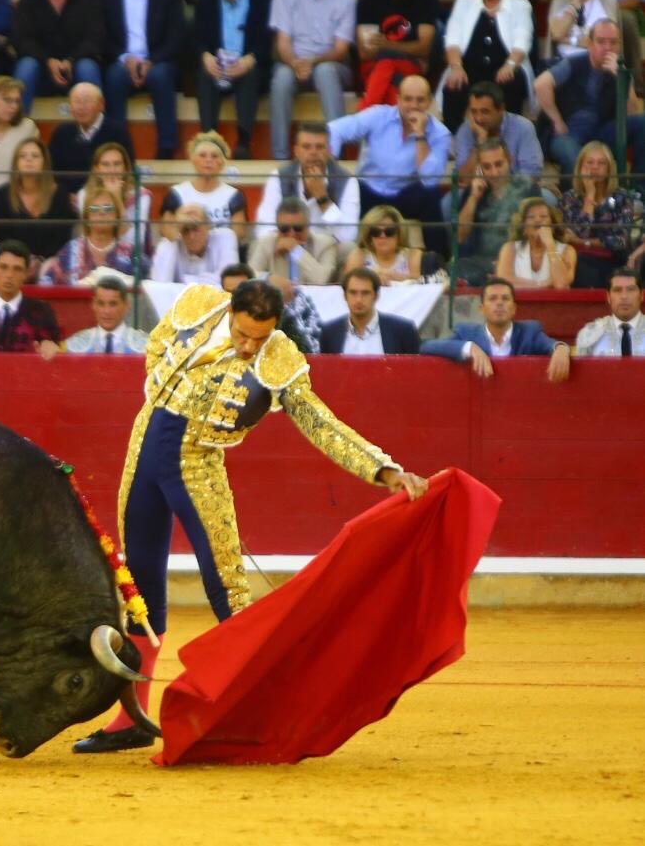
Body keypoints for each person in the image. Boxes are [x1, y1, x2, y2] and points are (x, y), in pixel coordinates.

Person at [72, 278, 428, 753]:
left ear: (274, 328)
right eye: (242, 334)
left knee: (228, 593)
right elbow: (157, 346)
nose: (247, 346)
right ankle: (131, 718)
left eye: (258, 338)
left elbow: (318, 421)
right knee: (139, 593)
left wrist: (383, 469)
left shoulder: (278, 357)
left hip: (196, 468)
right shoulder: (198, 304)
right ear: (230, 311)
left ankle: (254, 713)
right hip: (143, 454)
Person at [328, 75, 451, 258]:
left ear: (430, 102)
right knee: (344, 187)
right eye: (408, 99)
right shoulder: (378, 115)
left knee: (430, 195)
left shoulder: (440, 133)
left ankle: (439, 262)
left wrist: (420, 136)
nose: (414, 106)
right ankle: (339, 258)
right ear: (398, 99)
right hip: (368, 190)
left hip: (405, 193)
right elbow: (334, 129)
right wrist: (331, 163)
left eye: (420, 100)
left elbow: (429, 179)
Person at [534, 18, 645, 178]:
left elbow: (632, 112)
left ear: (619, 46)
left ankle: (638, 187)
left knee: (642, 123)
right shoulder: (574, 63)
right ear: (590, 44)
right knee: (574, 156)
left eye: (613, 43)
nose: (608, 48)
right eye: (601, 42)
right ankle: (578, 198)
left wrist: (621, 80)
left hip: (601, 131)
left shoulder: (620, 71)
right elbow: (541, 84)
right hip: (567, 132)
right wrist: (556, 120)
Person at [420, 277, 571, 382]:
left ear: (514, 309)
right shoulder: (466, 332)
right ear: (482, 309)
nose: (499, 304)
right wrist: (469, 347)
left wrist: (561, 348)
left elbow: (551, 344)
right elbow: (426, 346)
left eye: (505, 299)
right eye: (492, 299)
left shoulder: (530, 331)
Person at [266, 0, 356, 160]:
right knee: (282, 79)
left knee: (325, 72)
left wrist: (312, 62)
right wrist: (295, 63)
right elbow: (282, 43)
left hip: (332, 64)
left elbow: (341, 49)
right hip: (292, 63)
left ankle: (336, 154)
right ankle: (279, 157)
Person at [100, 0, 184, 160]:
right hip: (123, 60)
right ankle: (118, 146)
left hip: (158, 60)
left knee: (160, 76)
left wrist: (152, 61)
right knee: (114, 77)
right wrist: (126, 59)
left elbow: (176, 38)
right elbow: (103, 38)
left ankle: (166, 147)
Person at [255, 121, 359, 258]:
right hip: (286, 246)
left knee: (349, 249)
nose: (313, 152)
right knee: (260, 244)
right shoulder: (279, 177)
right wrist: (288, 242)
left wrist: (322, 198)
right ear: (296, 151)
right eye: (306, 147)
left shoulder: (347, 181)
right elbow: (263, 228)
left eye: (319, 147)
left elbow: (348, 236)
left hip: (326, 250)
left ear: (329, 151)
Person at [439, 0, 534, 132]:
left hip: (505, 67)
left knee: (513, 81)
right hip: (467, 67)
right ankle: (453, 138)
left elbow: (523, 40)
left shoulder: (521, 4)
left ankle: (508, 138)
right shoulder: (463, 1)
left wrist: (510, 65)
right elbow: (452, 39)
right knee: (454, 83)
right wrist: (456, 66)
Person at [194, 0, 271, 159]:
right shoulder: (205, 2)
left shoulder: (261, 0)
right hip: (216, 66)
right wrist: (205, 56)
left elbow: (267, 41)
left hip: (247, 65)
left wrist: (249, 60)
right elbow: (196, 39)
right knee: (204, 75)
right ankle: (209, 139)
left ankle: (243, 142)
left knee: (250, 76)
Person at [455, 139, 541, 285]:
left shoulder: (528, 188)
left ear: (510, 160)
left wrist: (505, 263)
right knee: (454, 269)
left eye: (499, 164)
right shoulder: (474, 191)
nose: (494, 172)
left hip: (518, 261)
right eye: (487, 167)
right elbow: (460, 236)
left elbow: (538, 232)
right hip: (481, 263)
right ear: (479, 168)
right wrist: (473, 198)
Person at [559, 141, 643, 288]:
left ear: (609, 168)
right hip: (578, 259)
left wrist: (581, 241)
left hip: (613, 260)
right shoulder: (569, 199)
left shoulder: (621, 197)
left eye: (601, 163)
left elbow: (620, 241)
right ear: (580, 168)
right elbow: (580, 232)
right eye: (589, 163)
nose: (595, 168)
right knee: (581, 263)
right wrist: (590, 195)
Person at [12, 0, 105, 113]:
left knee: (87, 67)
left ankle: (97, 129)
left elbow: (94, 39)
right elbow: (22, 40)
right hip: (41, 69)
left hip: (76, 66)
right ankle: (16, 126)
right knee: (26, 67)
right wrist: (47, 61)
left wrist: (71, 60)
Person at [0, 137, 76, 268]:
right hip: (13, 263)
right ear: (16, 163)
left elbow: (62, 238)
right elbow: (0, 238)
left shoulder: (59, 194)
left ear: (44, 162)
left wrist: (39, 261)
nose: (28, 159)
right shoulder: (2, 195)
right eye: (23, 156)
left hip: (49, 263)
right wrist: (22, 261)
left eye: (35, 156)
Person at [159, 132, 248, 245]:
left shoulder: (233, 195)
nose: (208, 160)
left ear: (222, 162)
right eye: (202, 155)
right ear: (193, 159)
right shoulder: (177, 193)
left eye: (214, 156)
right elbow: (166, 230)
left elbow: (239, 233)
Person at [355, 0, 437, 109]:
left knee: (386, 66)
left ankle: (365, 114)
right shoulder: (368, 0)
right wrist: (403, 49)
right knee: (388, 70)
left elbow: (424, 49)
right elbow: (366, 53)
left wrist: (387, 45)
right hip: (374, 66)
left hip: (409, 65)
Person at [47, 82, 135, 195]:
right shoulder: (62, 132)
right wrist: (66, 196)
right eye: (77, 101)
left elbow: (127, 170)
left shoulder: (117, 132)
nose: (81, 107)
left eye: (87, 101)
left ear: (101, 104)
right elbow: (51, 173)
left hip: (107, 196)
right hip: (67, 199)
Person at [450, 82, 543, 187]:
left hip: (516, 191)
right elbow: (463, 179)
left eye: (484, 112)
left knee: (548, 197)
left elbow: (531, 173)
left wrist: (500, 188)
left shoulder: (523, 127)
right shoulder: (466, 130)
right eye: (474, 112)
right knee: (448, 202)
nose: (478, 118)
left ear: (501, 109)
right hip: (478, 192)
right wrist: (481, 142)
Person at [41, 185, 134, 285]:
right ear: (86, 218)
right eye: (94, 209)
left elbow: (148, 286)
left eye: (107, 209)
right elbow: (46, 284)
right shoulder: (71, 250)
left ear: (117, 217)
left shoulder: (130, 252)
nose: (101, 213)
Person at [318, 267, 421, 355]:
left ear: (376, 296)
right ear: (345, 296)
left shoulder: (403, 330)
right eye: (353, 293)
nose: (359, 299)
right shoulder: (330, 332)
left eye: (365, 293)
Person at [74, 142, 152, 254]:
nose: (112, 170)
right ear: (97, 170)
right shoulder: (85, 194)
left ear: (125, 168)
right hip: (95, 254)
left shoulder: (141, 196)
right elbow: (89, 235)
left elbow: (134, 243)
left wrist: (117, 200)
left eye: (117, 164)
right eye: (105, 165)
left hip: (129, 260)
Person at [248, 196, 336, 285]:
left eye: (298, 228)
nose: (291, 234)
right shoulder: (267, 242)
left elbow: (323, 280)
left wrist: (296, 250)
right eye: (284, 229)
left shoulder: (325, 244)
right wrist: (269, 278)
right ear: (277, 228)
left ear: (308, 226)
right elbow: (249, 276)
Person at [494, 197, 576, 289]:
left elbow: (561, 284)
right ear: (523, 226)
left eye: (543, 216)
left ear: (553, 225)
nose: (537, 220)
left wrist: (550, 244)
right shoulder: (509, 248)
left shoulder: (568, 250)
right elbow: (504, 281)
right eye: (531, 217)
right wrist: (542, 284)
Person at [149, 204, 239, 287]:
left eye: (195, 228)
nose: (191, 236)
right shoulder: (169, 244)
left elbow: (229, 281)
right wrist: (172, 237)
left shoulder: (225, 237)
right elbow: (159, 284)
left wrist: (183, 284)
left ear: (208, 226)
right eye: (185, 230)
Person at [64, 274, 148, 354]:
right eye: (101, 304)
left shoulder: (145, 346)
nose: (106, 311)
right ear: (93, 305)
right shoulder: (76, 344)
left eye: (113, 304)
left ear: (126, 305)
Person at [344, 205, 425, 285]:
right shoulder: (358, 255)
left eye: (389, 231)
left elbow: (421, 284)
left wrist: (395, 277)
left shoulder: (413, 255)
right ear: (369, 237)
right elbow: (348, 286)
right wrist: (372, 278)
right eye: (376, 232)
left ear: (399, 234)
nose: (382, 236)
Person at [575, 268, 645, 356]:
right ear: (608, 297)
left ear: (641, 295)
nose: (624, 296)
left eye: (630, 290)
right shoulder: (590, 334)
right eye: (617, 290)